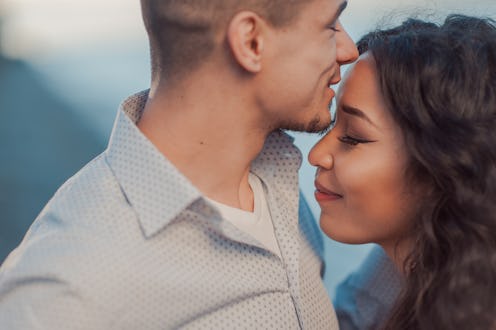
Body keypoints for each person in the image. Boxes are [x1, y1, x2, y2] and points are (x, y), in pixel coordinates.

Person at [0, 0, 373, 329]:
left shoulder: (279, 180)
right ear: (251, 42)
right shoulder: (66, 283)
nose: (347, 49)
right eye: (330, 25)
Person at [309, 14, 496, 330]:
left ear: (444, 167)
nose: (316, 155)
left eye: (353, 136)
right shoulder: (396, 271)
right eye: (331, 123)